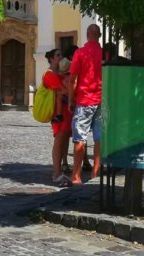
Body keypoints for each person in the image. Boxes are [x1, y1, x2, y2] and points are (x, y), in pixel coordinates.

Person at [67, 24, 102, 185]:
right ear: (100, 36)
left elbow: (73, 79)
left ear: (87, 35)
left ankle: (76, 176)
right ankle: (96, 172)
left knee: (79, 138)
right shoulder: (104, 55)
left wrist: (70, 99)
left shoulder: (80, 53)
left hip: (84, 99)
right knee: (99, 138)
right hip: (101, 99)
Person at [43, 48, 71, 185]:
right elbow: (62, 90)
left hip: (66, 112)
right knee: (59, 142)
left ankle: (59, 170)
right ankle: (56, 173)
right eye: (58, 55)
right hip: (58, 114)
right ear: (52, 59)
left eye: (61, 55)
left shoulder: (59, 73)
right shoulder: (49, 74)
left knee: (63, 141)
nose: (61, 57)